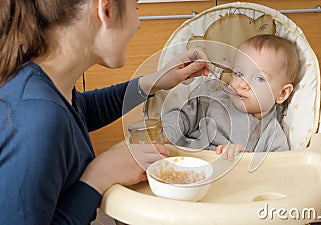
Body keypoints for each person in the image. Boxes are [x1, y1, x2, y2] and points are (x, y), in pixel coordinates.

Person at [0, 0, 208, 224]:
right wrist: (98, 176)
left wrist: (153, 82)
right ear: (106, 10)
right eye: (135, 7)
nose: (137, 23)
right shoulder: (36, 120)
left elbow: (81, 111)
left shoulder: (44, 83)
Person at [162, 34, 300, 160]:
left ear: (282, 94)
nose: (242, 84)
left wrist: (244, 159)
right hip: (186, 162)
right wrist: (167, 132)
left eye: (259, 78)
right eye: (239, 74)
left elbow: (277, 168)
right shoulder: (213, 101)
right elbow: (182, 116)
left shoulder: (271, 132)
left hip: (230, 180)